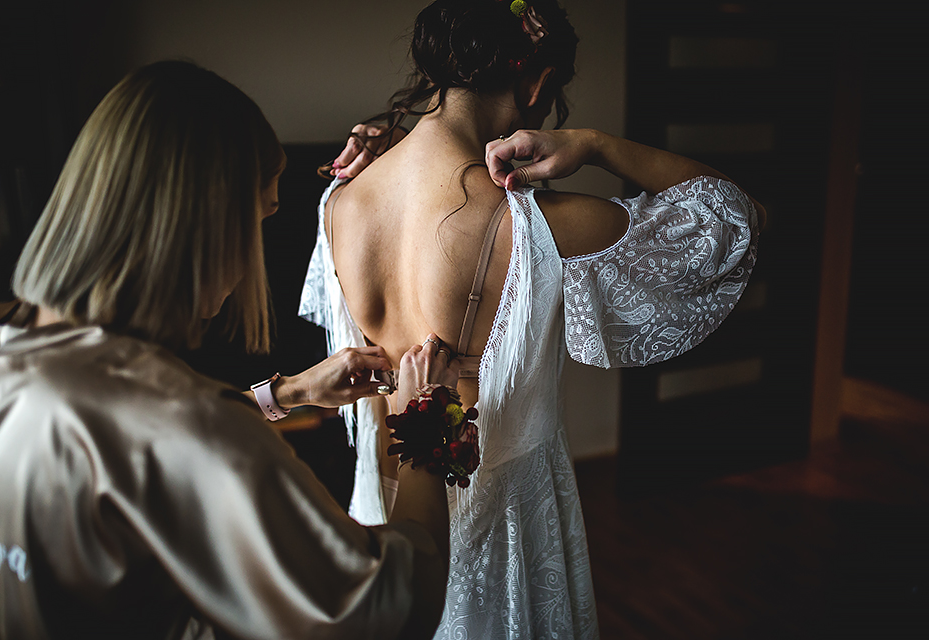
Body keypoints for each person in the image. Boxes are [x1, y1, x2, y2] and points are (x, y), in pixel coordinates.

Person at [299, 1, 766, 638]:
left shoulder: (341, 198)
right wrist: (597, 146)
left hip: (386, 506)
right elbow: (738, 215)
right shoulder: (538, 223)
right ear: (538, 81)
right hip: (504, 524)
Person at [0, 60, 463, 640]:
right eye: (259, 217)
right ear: (209, 224)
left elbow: (128, 454)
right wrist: (424, 422)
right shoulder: (183, 422)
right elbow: (386, 606)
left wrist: (287, 393)